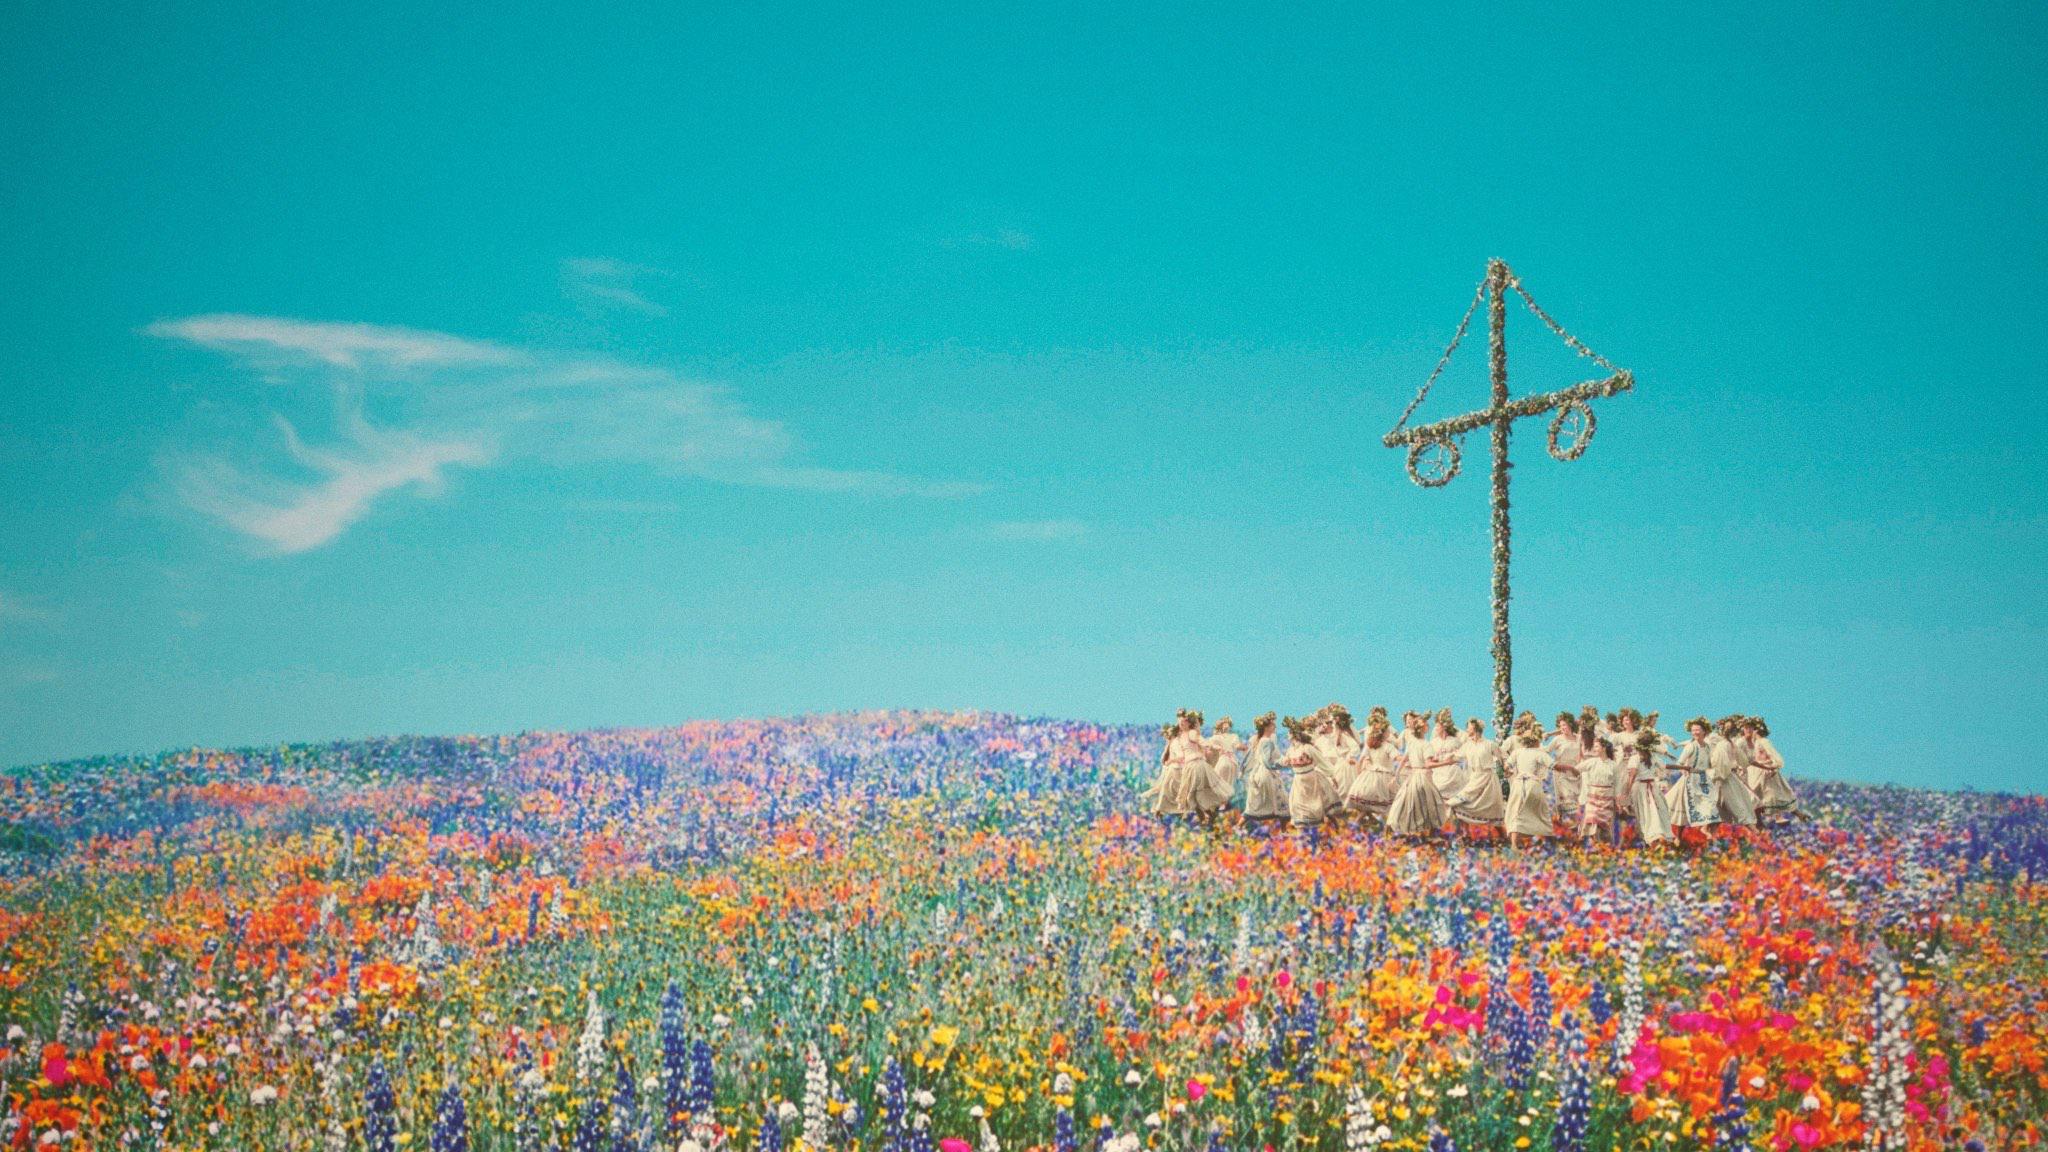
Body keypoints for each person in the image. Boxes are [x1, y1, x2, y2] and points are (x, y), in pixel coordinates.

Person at [1385, 711, 1449, 837]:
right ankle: (1427, 833)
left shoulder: (1412, 742)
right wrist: (1447, 762)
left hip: (1413, 775)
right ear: (1424, 729)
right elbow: (1428, 765)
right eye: (1427, 726)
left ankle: (1394, 829)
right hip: (1422, 777)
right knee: (1431, 803)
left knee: (1403, 802)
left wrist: (1396, 775)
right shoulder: (1426, 745)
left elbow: (1404, 760)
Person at [1444, 717, 1506, 830]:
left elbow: (1502, 759)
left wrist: (1508, 770)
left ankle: (1502, 837)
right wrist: (1441, 761)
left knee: (1492, 811)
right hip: (1474, 779)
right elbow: (1456, 757)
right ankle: (1462, 835)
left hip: (1488, 781)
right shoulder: (1468, 745)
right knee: (1456, 804)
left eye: (1468, 727)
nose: (1467, 730)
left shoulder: (1489, 744)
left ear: (1475, 728)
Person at [1281, 715, 1340, 831]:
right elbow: (1285, 762)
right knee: (1298, 806)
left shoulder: (1307, 748)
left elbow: (1322, 762)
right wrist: (1281, 762)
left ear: (1294, 734)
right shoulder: (1291, 750)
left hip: (1311, 780)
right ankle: (1301, 834)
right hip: (1299, 781)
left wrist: (1332, 776)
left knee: (1315, 806)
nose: (1287, 735)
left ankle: (1329, 828)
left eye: (1289, 733)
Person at [1501, 726, 1556, 848]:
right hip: (1532, 785)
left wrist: (1509, 771)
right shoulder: (1539, 753)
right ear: (1535, 741)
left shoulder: (1517, 752)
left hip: (1518, 785)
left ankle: (1515, 844)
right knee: (1540, 813)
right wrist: (1570, 768)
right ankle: (1548, 842)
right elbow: (1553, 765)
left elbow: (1506, 766)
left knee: (1516, 812)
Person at [1665, 717, 1721, 834]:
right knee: (1684, 807)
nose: (1695, 732)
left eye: (1697, 730)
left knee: (1711, 804)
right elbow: (1680, 763)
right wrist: (1684, 771)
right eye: (1693, 730)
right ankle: (1679, 837)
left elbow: (1711, 762)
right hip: (1691, 779)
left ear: (1704, 731)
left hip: (1704, 779)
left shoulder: (1708, 746)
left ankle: (1706, 830)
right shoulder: (1690, 746)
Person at [1625, 726, 1677, 847]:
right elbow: (1664, 767)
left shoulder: (1646, 758)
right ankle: (1653, 838)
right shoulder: (1641, 758)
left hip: (1648, 788)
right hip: (1645, 788)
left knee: (1651, 812)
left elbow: (1631, 777)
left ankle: (1656, 837)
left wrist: (1626, 792)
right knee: (1651, 811)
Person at [1344, 715, 1400, 823]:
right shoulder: (1388, 746)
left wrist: (1359, 774)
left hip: (1370, 775)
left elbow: (1361, 760)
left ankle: (1363, 822)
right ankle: (1387, 826)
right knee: (1387, 802)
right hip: (1383, 776)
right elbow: (1397, 757)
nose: (1389, 733)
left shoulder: (1370, 745)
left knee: (1370, 802)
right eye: (1388, 731)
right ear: (1383, 733)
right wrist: (1408, 759)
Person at [1744, 716, 1799, 822]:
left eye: (1751, 729)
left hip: (1766, 770)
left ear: (1756, 730)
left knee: (1772, 794)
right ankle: (1757, 820)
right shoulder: (1753, 743)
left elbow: (1773, 755)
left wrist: (1775, 766)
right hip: (1755, 770)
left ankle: (1777, 817)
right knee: (1757, 794)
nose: (1749, 731)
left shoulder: (1763, 741)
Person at [1241, 713, 1287, 824]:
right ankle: (1284, 829)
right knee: (1281, 799)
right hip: (1265, 773)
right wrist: (1279, 765)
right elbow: (1267, 762)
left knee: (1254, 803)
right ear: (1266, 727)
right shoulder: (1267, 741)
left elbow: (1250, 757)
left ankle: (1239, 825)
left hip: (1256, 772)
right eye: (1273, 725)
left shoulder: (1259, 739)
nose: (1275, 727)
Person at [1576, 737, 1621, 846]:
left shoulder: (1613, 765)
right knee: (1592, 819)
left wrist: (1618, 801)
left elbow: (1617, 783)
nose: (1594, 749)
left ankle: (1604, 847)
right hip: (1593, 795)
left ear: (1604, 748)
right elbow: (1576, 769)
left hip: (1607, 797)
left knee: (1603, 824)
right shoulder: (1592, 762)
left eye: (1596, 746)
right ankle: (1592, 844)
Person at [1545, 713, 1584, 824]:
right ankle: (1565, 827)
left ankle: (1576, 829)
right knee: (1567, 801)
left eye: (1565, 725)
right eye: (1561, 726)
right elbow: (1545, 752)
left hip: (1576, 773)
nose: (1563, 728)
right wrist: (1554, 765)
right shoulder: (1557, 739)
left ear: (1571, 725)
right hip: (1562, 774)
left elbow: (1582, 754)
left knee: (1577, 801)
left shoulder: (1579, 738)